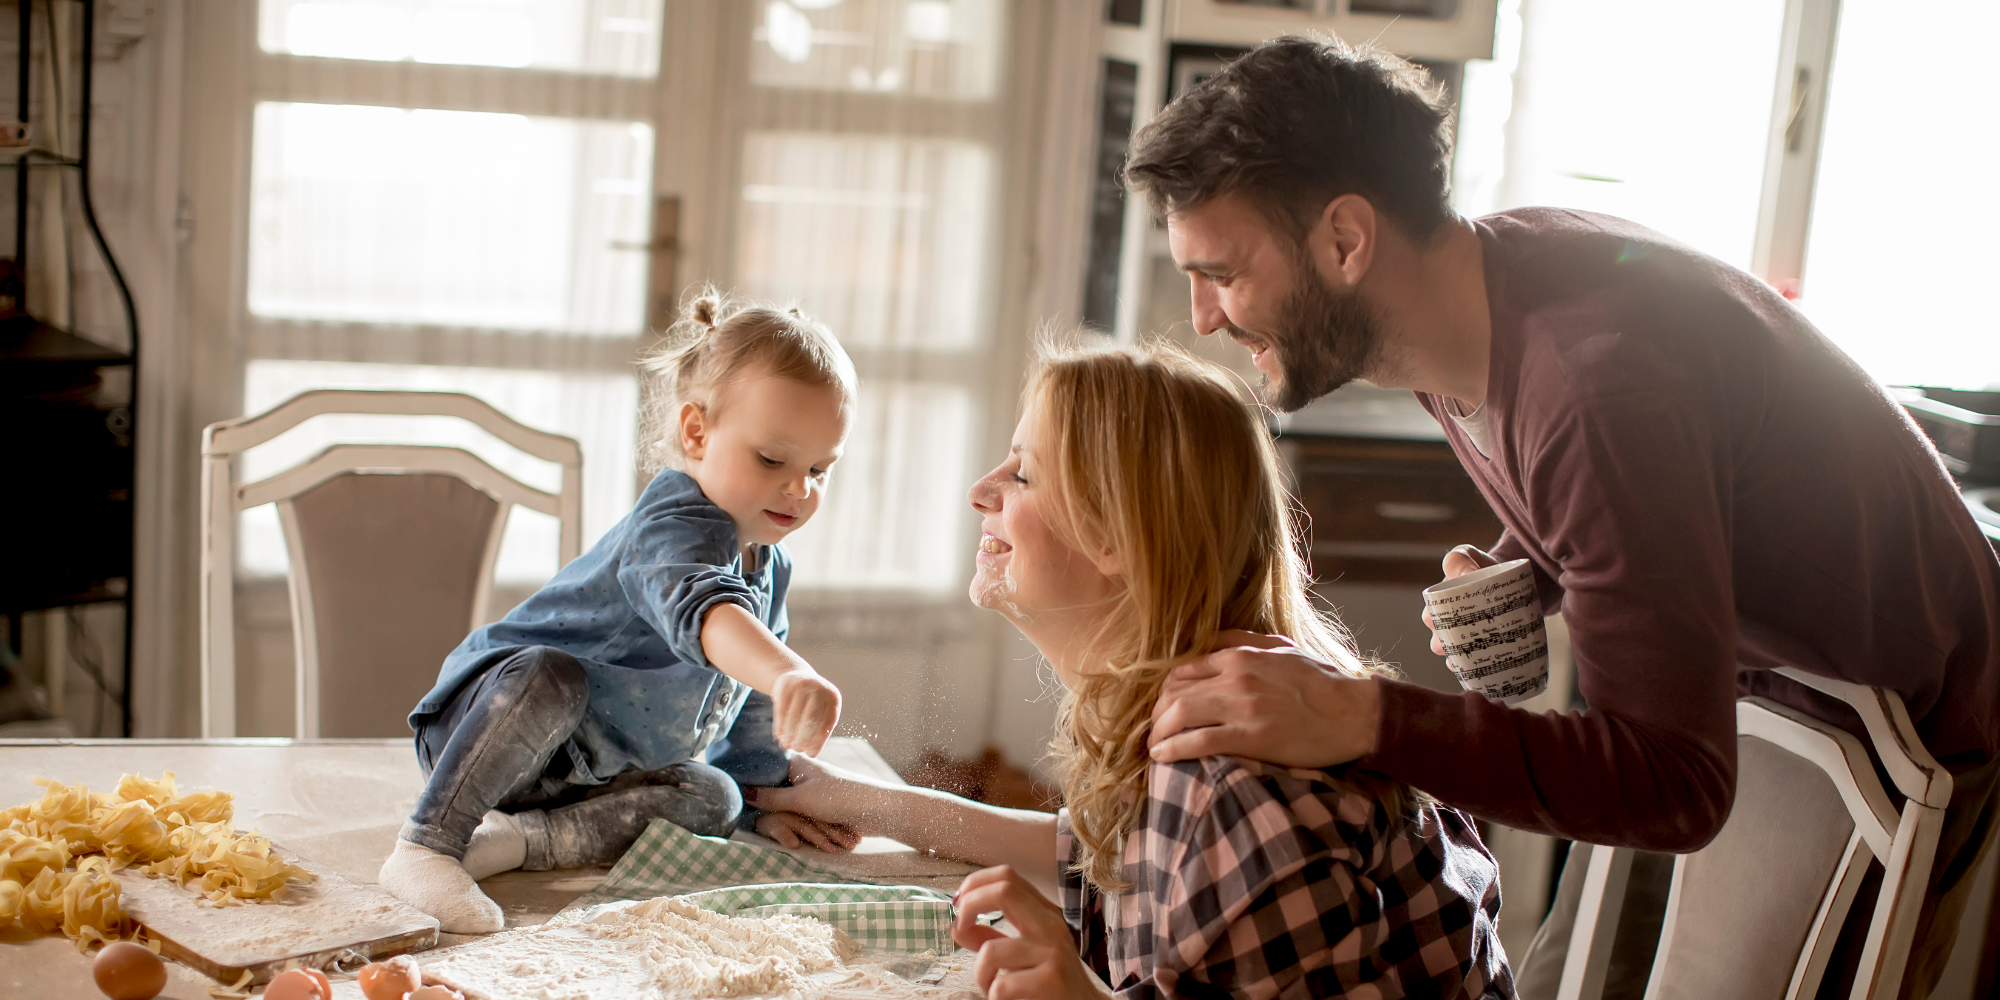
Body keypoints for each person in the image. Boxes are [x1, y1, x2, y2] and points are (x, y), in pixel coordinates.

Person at [1128, 36, 2000, 999]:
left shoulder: (1593, 388)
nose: (1203, 315)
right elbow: (1670, 485)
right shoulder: (1448, 311)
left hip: (1904, 721)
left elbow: (1675, 784)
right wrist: (1528, 558)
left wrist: (1356, 713)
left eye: (1221, 272)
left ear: (1345, 240)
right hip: (1760, 689)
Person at [754, 342, 1515, 1000]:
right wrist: (867, 801)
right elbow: (1093, 855)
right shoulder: (1215, 699)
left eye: (1023, 476)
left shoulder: (1232, 780)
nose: (980, 491)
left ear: (1119, 534)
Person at [377, 290, 862, 933]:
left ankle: (516, 841)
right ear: (697, 432)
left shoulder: (771, 566)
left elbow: (747, 701)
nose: (799, 489)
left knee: (713, 796)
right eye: (772, 459)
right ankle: (427, 845)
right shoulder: (671, 522)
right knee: (553, 676)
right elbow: (704, 609)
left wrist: (761, 799)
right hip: (488, 730)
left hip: (587, 774)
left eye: (821, 470)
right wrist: (786, 670)